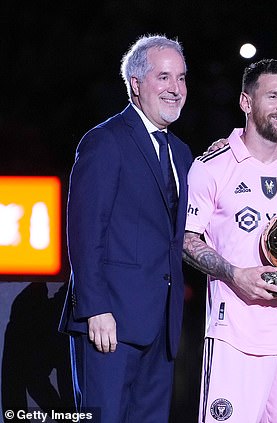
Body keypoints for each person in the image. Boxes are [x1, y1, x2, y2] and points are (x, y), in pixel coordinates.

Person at [59, 35, 193, 423]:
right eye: (164, 77)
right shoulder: (105, 141)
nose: (176, 88)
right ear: (136, 84)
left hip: (161, 328)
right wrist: (95, 308)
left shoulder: (181, 152)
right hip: (110, 324)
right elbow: (85, 231)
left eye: (182, 78)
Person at [182, 59, 277, 423]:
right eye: (272, 96)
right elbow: (187, 240)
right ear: (246, 102)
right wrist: (234, 274)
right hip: (235, 339)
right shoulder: (211, 167)